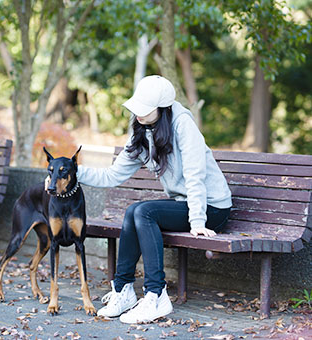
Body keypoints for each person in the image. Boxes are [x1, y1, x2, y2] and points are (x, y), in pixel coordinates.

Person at [76, 75, 232, 324]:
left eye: (144, 108)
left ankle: (156, 295)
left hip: (211, 208)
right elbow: (113, 174)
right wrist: (74, 173)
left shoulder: (183, 124)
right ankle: (123, 289)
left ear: (162, 107)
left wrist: (198, 222)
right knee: (134, 211)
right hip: (184, 203)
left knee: (144, 212)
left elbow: (195, 176)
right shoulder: (141, 129)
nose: (137, 113)